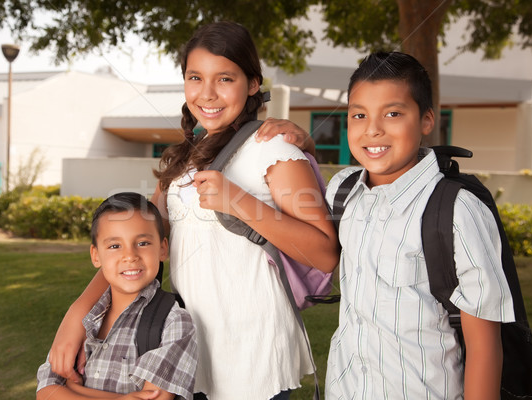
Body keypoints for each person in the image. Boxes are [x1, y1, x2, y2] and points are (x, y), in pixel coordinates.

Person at [46, 21, 340, 400]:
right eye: (195, 77)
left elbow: (325, 253)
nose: (207, 93)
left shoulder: (274, 148)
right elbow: (137, 242)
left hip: (252, 356)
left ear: (252, 84)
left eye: (225, 79)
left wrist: (240, 203)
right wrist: (77, 315)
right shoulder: (182, 161)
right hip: (181, 349)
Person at [260, 51, 516, 399]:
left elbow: (485, 346)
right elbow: (316, 240)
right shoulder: (345, 190)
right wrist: (308, 146)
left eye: (393, 113)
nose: (373, 129)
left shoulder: (456, 210)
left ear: (427, 120)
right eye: (359, 115)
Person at [36, 192, 197, 400]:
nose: (130, 256)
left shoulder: (173, 322)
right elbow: (45, 393)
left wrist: (72, 389)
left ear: (163, 248)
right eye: (114, 246)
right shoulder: (86, 320)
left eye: (143, 243)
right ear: (96, 256)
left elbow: (155, 397)